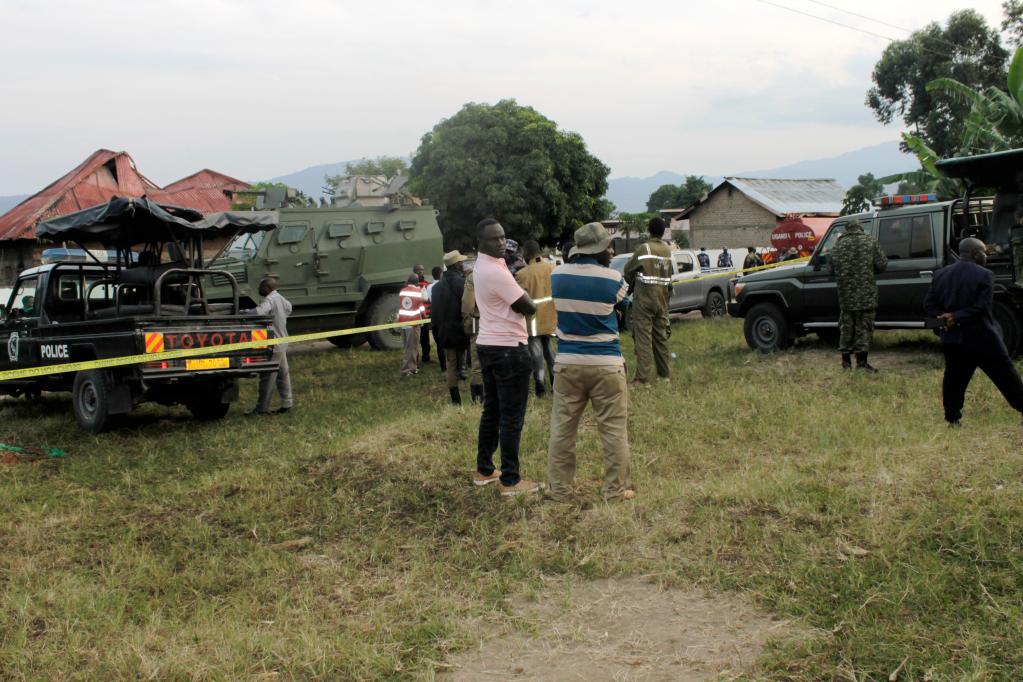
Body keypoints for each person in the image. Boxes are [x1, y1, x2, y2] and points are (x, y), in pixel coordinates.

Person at [547, 222, 634, 502]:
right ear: (598, 251)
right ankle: (614, 491)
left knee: (562, 429)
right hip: (606, 364)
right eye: (608, 248)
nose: (610, 252)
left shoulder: (557, 275)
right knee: (613, 431)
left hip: (568, 363)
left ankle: (559, 491)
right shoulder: (612, 279)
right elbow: (624, 305)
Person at [472, 218, 542, 496]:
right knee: (511, 417)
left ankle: (484, 470)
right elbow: (529, 307)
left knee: (492, 411)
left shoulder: (481, 266)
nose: (501, 242)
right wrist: (525, 295)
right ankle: (511, 481)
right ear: (481, 242)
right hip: (509, 349)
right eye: (494, 239)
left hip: (488, 345)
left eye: (502, 237)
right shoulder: (497, 272)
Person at [924, 237, 1023, 426]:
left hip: (953, 339)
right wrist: (957, 316)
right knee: (1006, 376)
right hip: (982, 338)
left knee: (954, 380)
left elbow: (929, 304)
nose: (986, 256)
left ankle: (953, 418)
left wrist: (945, 317)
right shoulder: (984, 275)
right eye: (984, 252)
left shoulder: (940, 274)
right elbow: (982, 308)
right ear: (975, 254)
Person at [828, 219, 888, 371]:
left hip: (846, 297)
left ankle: (846, 363)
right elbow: (882, 265)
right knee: (864, 328)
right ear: (860, 227)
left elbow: (829, 270)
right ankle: (862, 364)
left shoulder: (838, 245)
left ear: (847, 229)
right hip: (866, 295)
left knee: (846, 328)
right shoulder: (870, 241)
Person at [624, 217, 672, 384]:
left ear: (649, 230)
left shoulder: (644, 248)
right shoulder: (667, 250)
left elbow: (627, 269)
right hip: (662, 299)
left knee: (644, 338)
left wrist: (632, 281)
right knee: (660, 337)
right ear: (663, 231)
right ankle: (664, 376)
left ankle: (643, 379)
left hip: (644, 299)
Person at [243, 277, 294, 415]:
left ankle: (261, 409)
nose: (259, 290)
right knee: (283, 374)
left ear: (266, 288)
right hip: (283, 341)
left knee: (268, 376)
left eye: (260, 287)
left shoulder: (270, 299)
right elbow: (289, 309)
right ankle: (287, 403)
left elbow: (260, 312)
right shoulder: (281, 298)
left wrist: (245, 313)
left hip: (274, 343)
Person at [515, 240, 556, 397]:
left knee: (537, 356)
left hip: (532, 322)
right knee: (550, 351)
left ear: (527, 254)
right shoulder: (552, 268)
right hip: (550, 319)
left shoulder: (522, 274)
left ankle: (540, 387)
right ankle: (555, 383)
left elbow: (519, 300)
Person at [430, 251, 471, 404]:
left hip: (444, 332)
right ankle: (477, 395)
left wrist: (436, 332)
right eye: (461, 262)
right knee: (470, 360)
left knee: (450, 364)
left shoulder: (436, 288)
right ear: (457, 265)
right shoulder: (463, 283)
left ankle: (455, 400)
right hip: (461, 329)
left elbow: (434, 313)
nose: (463, 264)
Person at [461, 263, 484, 404]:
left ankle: (478, 397)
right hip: (498, 322)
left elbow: (467, 303)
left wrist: (467, 325)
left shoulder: (472, 278)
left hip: (479, 322)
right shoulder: (498, 272)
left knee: (477, 362)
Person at [398, 274, 425, 377]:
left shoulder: (402, 291)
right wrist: (425, 316)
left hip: (403, 322)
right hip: (413, 323)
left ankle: (413, 368)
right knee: (412, 347)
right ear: (417, 282)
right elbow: (423, 304)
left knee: (407, 346)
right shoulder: (418, 292)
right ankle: (406, 370)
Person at [426, 266, 447, 373]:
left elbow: (427, 300)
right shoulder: (444, 286)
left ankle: (443, 366)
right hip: (444, 316)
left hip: (434, 316)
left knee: (439, 343)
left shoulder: (429, 287)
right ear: (441, 274)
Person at [413, 264, 432, 364]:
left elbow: (430, 299)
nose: (420, 271)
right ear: (414, 271)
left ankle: (426, 357)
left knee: (425, 339)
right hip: (415, 316)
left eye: (422, 270)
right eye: (418, 270)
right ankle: (415, 360)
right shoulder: (409, 285)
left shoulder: (427, 284)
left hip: (425, 315)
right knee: (415, 340)